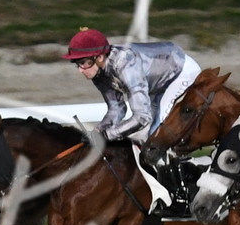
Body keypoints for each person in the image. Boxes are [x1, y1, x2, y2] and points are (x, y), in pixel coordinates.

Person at [63, 27, 200, 210]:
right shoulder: (99, 74)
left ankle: (182, 195)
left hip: (180, 72)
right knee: (146, 138)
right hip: (156, 82)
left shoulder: (125, 64)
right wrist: (97, 131)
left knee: (155, 136)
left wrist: (107, 135)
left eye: (83, 63)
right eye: (77, 64)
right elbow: (117, 109)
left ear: (99, 57)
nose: (80, 70)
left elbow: (142, 117)